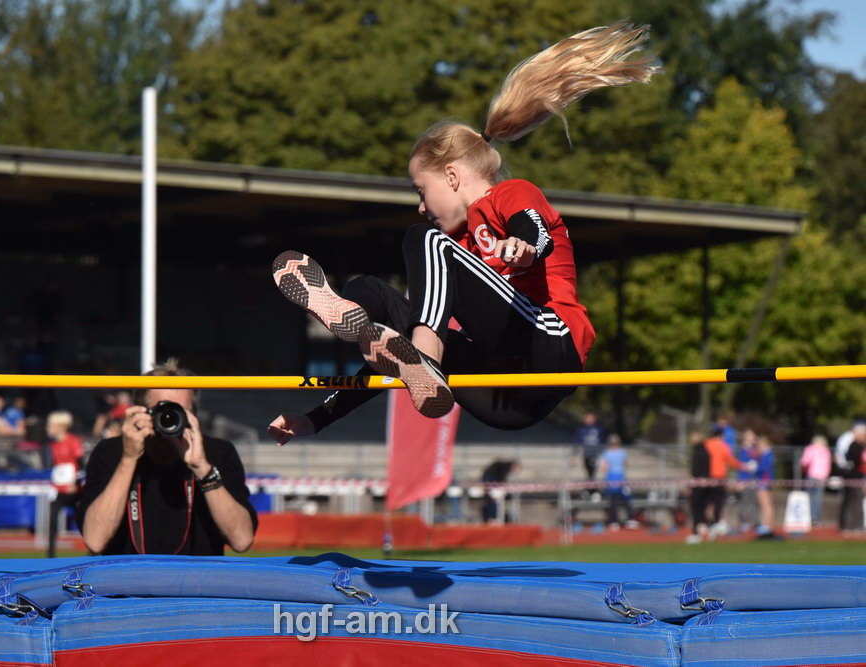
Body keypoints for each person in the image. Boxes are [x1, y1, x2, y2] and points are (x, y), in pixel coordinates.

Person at [267, 21, 658, 441]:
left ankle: (426, 353)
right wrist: (316, 419)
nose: (420, 205)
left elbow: (536, 231)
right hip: (502, 399)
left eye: (422, 190)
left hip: (548, 350)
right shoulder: (456, 248)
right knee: (377, 292)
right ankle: (349, 311)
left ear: (452, 176)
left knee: (423, 239)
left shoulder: (509, 194)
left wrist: (523, 247)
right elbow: (389, 358)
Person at [76, 359, 257, 555]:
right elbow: (94, 540)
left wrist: (203, 469)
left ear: (194, 414)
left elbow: (242, 540)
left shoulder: (217, 452)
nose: (171, 419)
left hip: (198, 582)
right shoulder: (111, 452)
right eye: (163, 411)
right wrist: (128, 459)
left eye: (181, 412)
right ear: (141, 412)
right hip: (128, 581)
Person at [46, 410, 84, 558]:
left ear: (61, 426)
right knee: (52, 520)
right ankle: (50, 556)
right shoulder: (52, 445)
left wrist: (75, 484)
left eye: (51, 425)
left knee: (82, 519)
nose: (49, 428)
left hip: (73, 490)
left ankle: (92, 550)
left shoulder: (73, 442)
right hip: (58, 489)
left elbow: (81, 465)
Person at [598, 433, 632, 529]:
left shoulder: (608, 453)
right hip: (614, 478)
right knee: (617, 501)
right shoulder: (619, 452)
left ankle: (622, 520)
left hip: (617, 478)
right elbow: (626, 464)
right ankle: (616, 520)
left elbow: (604, 467)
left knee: (620, 501)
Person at [837, 423, 865, 535]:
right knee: (854, 501)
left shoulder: (857, 445)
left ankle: (850, 525)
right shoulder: (855, 446)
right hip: (854, 478)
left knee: (853, 501)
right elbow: (855, 463)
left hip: (855, 477)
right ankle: (851, 526)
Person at [800, 434, 832, 526]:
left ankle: (809, 517)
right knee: (818, 498)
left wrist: (804, 469)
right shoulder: (826, 451)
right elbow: (828, 466)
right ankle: (816, 519)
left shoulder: (810, 449)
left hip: (812, 475)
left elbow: (804, 462)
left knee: (810, 497)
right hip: (822, 477)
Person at [753, 435, 777, 539]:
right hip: (766, 482)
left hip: (762, 483)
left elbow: (762, 469)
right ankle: (768, 526)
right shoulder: (769, 454)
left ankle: (765, 527)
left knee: (766, 506)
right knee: (768, 506)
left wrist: (753, 467)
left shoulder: (766, 455)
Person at [480, 459, 518, 523]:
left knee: (493, 502)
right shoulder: (504, 468)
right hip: (491, 481)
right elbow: (501, 479)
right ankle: (493, 518)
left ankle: (492, 518)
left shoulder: (503, 467)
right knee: (493, 502)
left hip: (490, 481)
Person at [574, 411, 606, 481]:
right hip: (586, 454)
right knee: (588, 472)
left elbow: (603, 441)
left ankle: (593, 489)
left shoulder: (599, 429)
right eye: (587, 418)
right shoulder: (581, 430)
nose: (589, 419)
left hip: (596, 454)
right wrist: (574, 455)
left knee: (595, 472)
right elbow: (577, 442)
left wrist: (603, 455)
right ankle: (589, 489)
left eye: (591, 418)